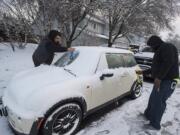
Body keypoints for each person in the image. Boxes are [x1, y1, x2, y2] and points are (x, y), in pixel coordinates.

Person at [142, 35, 179, 130]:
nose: (151, 48)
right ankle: (148, 115)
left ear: (156, 43)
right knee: (153, 98)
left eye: (151, 46)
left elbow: (168, 62)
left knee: (159, 102)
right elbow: (157, 66)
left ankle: (155, 124)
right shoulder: (160, 50)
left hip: (167, 81)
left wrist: (159, 77)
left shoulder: (167, 47)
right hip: (161, 79)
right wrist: (143, 72)